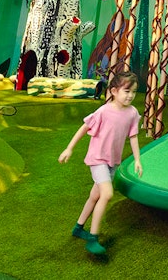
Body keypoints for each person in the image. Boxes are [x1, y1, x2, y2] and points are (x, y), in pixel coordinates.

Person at [59, 71, 143, 256]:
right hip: (98, 159)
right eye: (126, 91)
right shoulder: (104, 111)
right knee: (107, 194)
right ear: (113, 91)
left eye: (134, 92)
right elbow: (84, 127)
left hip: (112, 161)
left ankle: (79, 227)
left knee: (95, 195)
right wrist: (69, 148)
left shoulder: (132, 113)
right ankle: (93, 238)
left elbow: (133, 137)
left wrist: (137, 159)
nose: (130, 95)